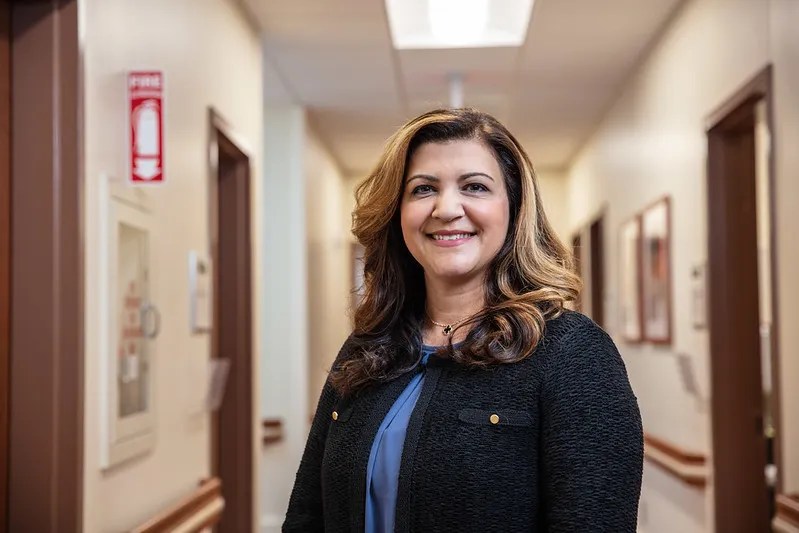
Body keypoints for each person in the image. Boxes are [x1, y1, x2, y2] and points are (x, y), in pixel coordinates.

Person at [283, 108, 643, 533]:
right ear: (398, 214)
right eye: (422, 189)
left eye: (474, 187)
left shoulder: (571, 353)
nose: (447, 208)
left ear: (514, 209)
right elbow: (307, 514)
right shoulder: (368, 347)